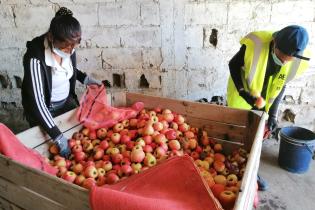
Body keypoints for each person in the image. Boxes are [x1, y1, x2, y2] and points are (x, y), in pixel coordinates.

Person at [226, 25, 311, 191]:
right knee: (237, 134)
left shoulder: (298, 59)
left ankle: (250, 174)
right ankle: (233, 169)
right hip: (242, 94)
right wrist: (243, 92)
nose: (285, 61)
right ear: (275, 43)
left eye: (290, 58)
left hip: (264, 101)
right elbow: (233, 65)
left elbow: (280, 86)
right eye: (282, 56)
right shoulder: (256, 44)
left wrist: (273, 115)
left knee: (257, 139)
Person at [22, 7, 102, 158]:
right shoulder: (35, 58)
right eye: (66, 47)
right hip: (46, 110)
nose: (70, 51)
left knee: (80, 138)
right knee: (48, 152)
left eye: (73, 47)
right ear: (51, 37)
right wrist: (57, 136)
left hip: (67, 102)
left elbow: (67, 69)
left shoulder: (68, 44)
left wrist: (85, 78)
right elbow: (37, 103)